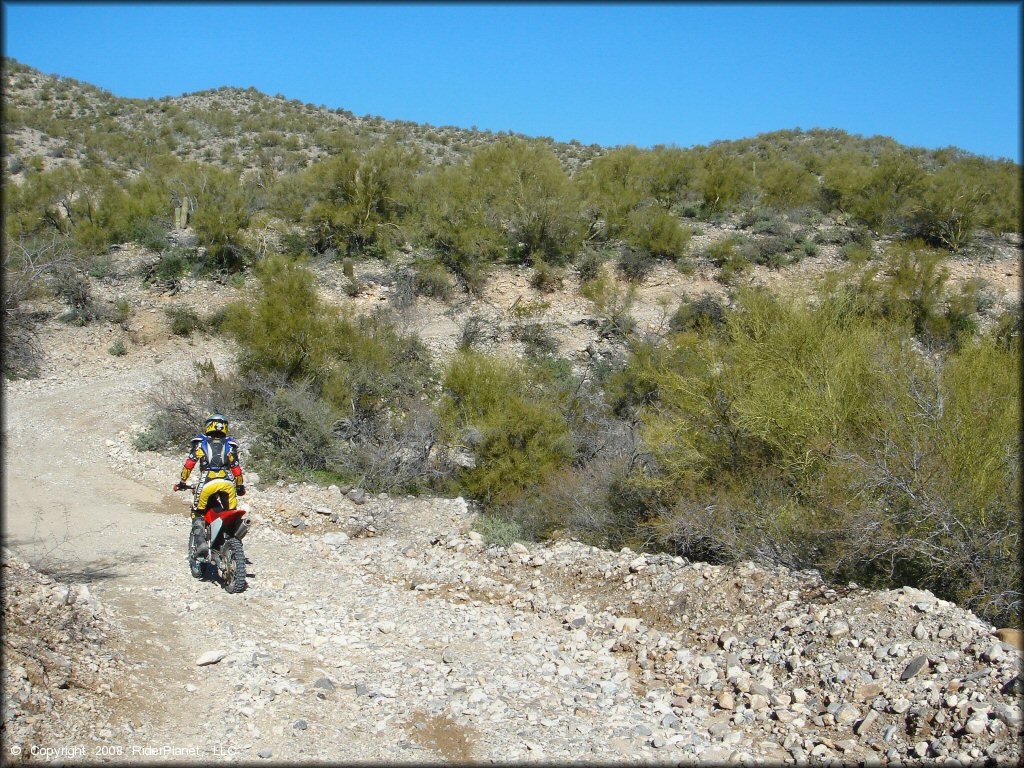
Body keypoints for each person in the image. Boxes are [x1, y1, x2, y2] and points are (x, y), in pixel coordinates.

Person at [173, 413, 246, 543]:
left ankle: (200, 543)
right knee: (231, 513)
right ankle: (235, 542)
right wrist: (240, 487)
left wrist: (182, 482)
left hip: (207, 483)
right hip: (227, 484)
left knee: (197, 513)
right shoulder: (230, 445)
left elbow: (189, 465)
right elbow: (236, 469)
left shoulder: (201, 443)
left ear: (208, 426)